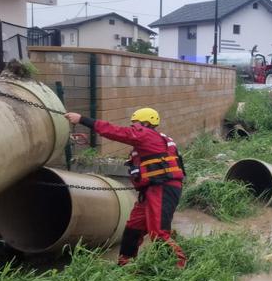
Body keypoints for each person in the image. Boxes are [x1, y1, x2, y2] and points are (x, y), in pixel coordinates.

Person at [64, 108, 187, 268]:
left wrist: (82, 119)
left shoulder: (146, 135)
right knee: (133, 228)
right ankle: (125, 264)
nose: (133, 126)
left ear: (146, 123)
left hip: (162, 188)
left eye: (135, 123)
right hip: (151, 190)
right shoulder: (150, 141)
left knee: (158, 232)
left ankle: (178, 266)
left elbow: (116, 131)